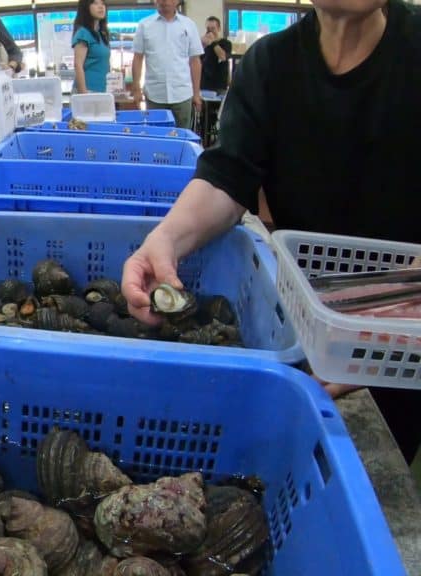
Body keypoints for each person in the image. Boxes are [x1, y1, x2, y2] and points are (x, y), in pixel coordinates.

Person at [121, 0, 421, 462]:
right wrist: (165, 240)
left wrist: (399, 317)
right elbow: (229, 175)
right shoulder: (270, 63)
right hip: (298, 325)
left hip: (404, 348)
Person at [130, 0, 203, 129]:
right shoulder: (144, 25)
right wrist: (136, 89)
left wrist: (196, 94)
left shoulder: (189, 25)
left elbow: (195, 61)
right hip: (154, 95)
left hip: (182, 94)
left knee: (182, 139)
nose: (164, 1)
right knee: (157, 139)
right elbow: (137, 58)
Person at [71, 0, 111, 94]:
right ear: (86, 7)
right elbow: (78, 65)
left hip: (101, 91)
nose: (101, 7)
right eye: (95, 3)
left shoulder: (101, 34)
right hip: (86, 90)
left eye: (103, 4)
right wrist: (84, 94)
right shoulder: (83, 33)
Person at [200, 16, 232, 92]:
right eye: (208, 28)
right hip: (204, 84)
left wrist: (213, 42)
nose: (210, 31)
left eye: (213, 28)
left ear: (219, 29)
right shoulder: (203, 43)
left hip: (219, 85)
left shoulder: (226, 43)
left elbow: (223, 57)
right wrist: (202, 45)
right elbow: (196, 59)